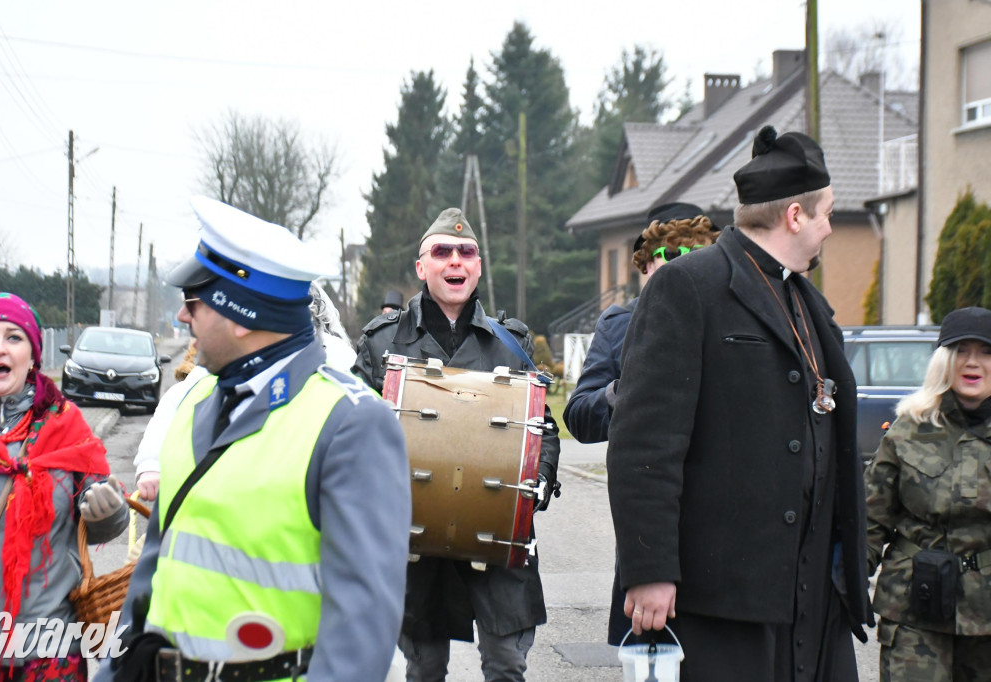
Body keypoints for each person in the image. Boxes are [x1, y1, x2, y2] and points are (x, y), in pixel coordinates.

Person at [98, 197, 411, 682]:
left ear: (241, 316)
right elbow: (152, 575)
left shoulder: (351, 423)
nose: (184, 319)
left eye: (195, 304)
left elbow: (359, 639)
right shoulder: (192, 407)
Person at [606, 125, 874, 681]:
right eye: (826, 213)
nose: (830, 227)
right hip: (720, 598)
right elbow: (644, 444)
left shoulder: (810, 303)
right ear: (795, 216)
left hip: (811, 598)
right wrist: (648, 569)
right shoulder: (688, 286)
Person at [353, 207, 561, 682]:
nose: (455, 261)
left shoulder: (511, 341)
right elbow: (351, 429)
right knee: (425, 669)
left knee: (507, 667)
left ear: (479, 266)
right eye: (442, 251)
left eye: (466, 252)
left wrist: (539, 481)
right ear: (421, 266)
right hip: (414, 540)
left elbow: (543, 428)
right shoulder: (383, 342)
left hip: (494, 526)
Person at [0, 291, 128, 678]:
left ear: (34, 355)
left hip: (50, 644)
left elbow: (103, 521)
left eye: (14, 337)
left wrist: (109, 511)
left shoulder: (65, 426)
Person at [131, 281, 357, 502]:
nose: (184, 316)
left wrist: (152, 465)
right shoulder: (222, 366)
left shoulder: (334, 360)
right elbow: (176, 402)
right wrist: (151, 463)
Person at [866, 306, 991, 680]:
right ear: (943, 362)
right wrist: (847, 587)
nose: (973, 363)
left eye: (986, 352)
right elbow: (872, 519)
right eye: (961, 351)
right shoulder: (908, 430)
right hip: (913, 606)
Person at [563, 202, 717, 445]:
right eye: (671, 254)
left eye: (696, 252)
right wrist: (630, 388)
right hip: (647, 474)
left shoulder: (732, 317)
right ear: (646, 263)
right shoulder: (618, 323)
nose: (685, 263)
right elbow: (580, 419)